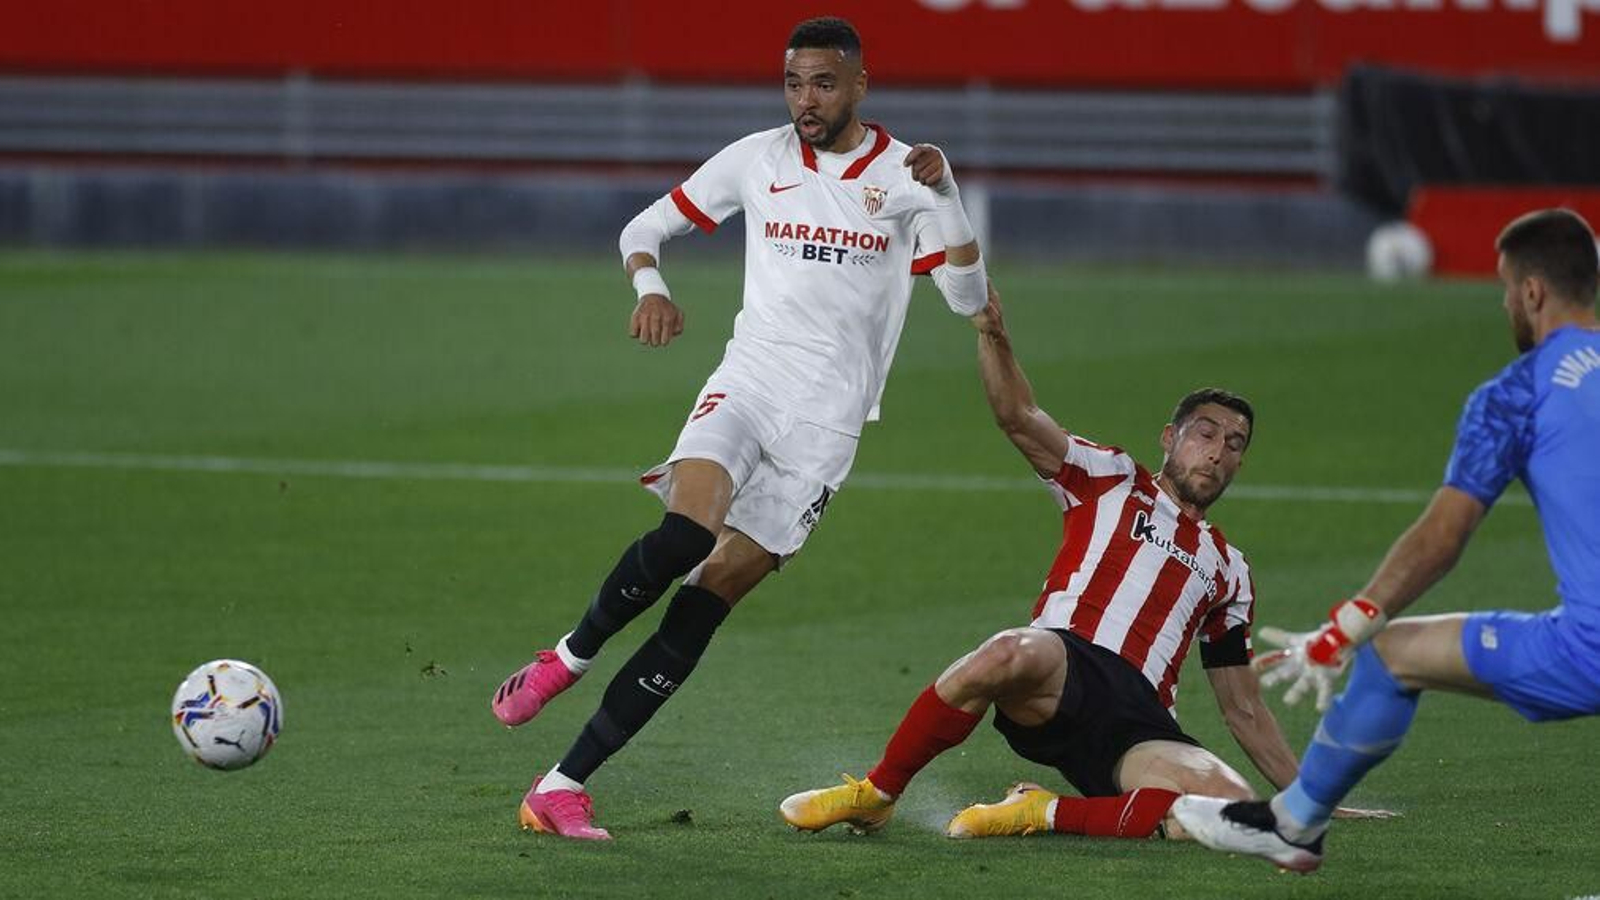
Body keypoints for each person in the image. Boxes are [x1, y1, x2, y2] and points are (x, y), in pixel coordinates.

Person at [491, 17, 991, 840]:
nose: (805, 99)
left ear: (861, 85)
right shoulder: (757, 158)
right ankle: (566, 658)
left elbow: (968, 302)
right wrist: (648, 287)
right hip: (748, 384)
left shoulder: (908, 175)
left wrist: (946, 196)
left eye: (823, 83)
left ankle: (559, 786)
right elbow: (643, 227)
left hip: (826, 429)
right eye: (794, 82)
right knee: (688, 532)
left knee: (704, 605)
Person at [780, 282, 1354, 842]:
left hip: (1141, 722)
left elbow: (1243, 706)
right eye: (1205, 433)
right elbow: (1019, 417)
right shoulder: (1112, 479)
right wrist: (993, 335)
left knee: (1231, 811)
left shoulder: (1232, 570)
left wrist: (1309, 797)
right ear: (1170, 438)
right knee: (1008, 650)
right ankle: (877, 795)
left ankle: (1040, 811)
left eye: (1234, 444)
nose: (1217, 450)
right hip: (1063, 664)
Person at [1172, 208, 1600, 873]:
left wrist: (1347, 625)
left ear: (1533, 293)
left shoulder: (1518, 394)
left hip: (1590, 647)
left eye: (1506, 291)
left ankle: (1293, 825)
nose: (1506, 304)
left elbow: (1445, 533)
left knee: (1393, 654)